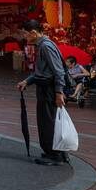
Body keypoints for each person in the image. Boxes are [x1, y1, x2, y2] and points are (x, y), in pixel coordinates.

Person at [15, 19, 69, 166]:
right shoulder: (44, 45)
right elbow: (42, 70)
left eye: (26, 34)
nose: (25, 37)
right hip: (46, 88)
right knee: (47, 120)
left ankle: (55, 155)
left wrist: (58, 92)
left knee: (48, 121)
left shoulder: (46, 47)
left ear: (33, 33)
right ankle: (53, 151)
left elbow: (58, 71)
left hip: (49, 90)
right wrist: (28, 81)